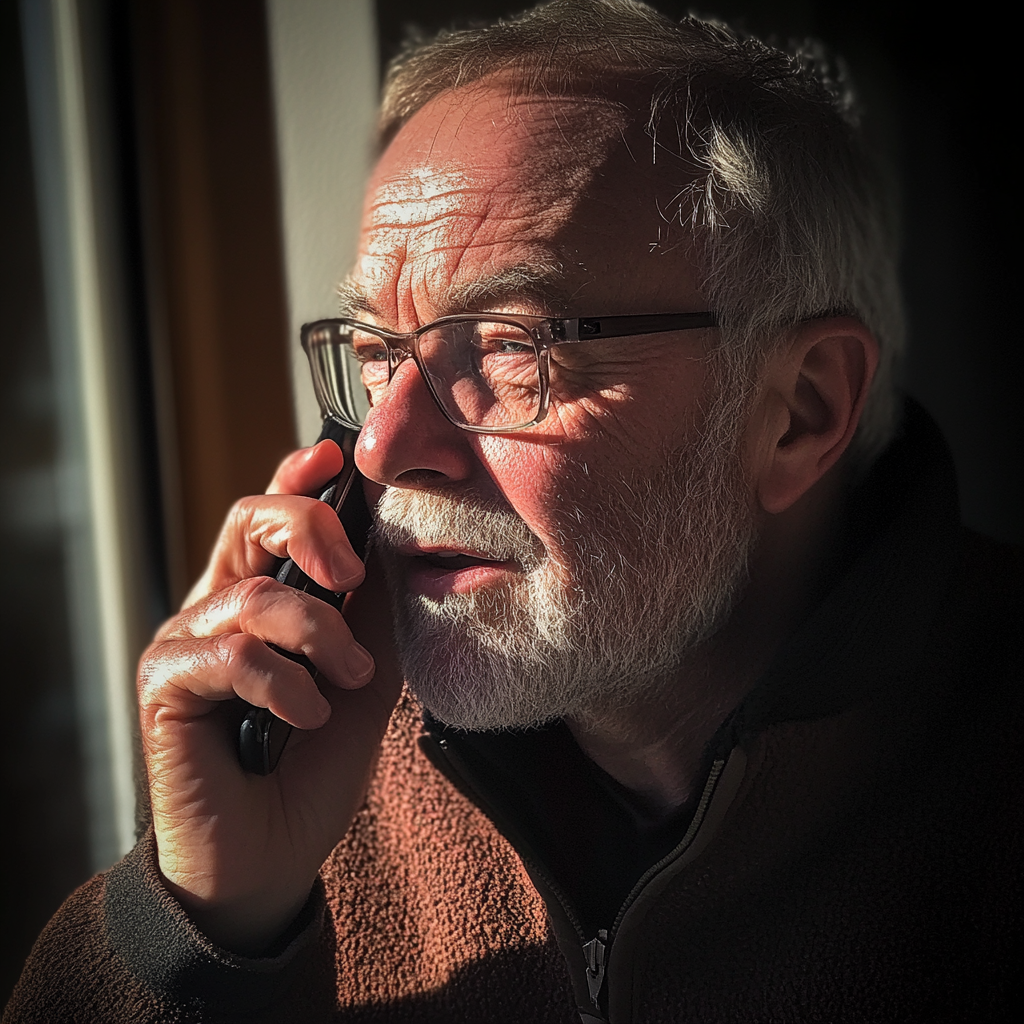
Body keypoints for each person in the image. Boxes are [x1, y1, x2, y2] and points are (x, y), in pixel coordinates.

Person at [5, 2, 1020, 1021]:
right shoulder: (315, 760)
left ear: (800, 411)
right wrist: (203, 927)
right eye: (376, 354)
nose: (384, 448)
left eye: (507, 344)